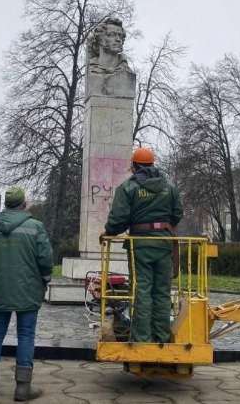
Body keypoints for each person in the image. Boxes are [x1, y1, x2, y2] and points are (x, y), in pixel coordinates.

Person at [100, 147, 184, 344]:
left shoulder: (129, 187)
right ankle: (161, 337)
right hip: (164, 243)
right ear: (152, 164)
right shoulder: (169, 186)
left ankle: (142, 339)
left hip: (140, 245)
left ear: (134, 166)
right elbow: (177, 213)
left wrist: (108, 232)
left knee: (141, 291)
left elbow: (118, 218)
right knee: (162, 292)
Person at [0, 187, 53, 401]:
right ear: (24, 204)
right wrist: (45, 278)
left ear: (5, 205)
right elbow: (45, 259)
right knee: (26, 335)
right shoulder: (35, 227)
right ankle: (22, 388)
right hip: (28, 289)